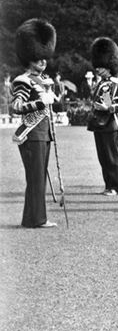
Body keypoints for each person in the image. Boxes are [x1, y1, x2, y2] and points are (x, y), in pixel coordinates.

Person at [10, 18, 57, 228]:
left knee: (39, 179)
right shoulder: (23, 80)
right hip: (31, 133)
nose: (43, 62)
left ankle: (32, 218)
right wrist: (39, 103)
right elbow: (16, 107)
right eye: (39, 58)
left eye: (44, 58)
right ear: (29, 57)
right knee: (36, 179)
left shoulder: (44, 80)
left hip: (43, 133)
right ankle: (37, 219)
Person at [87, 37, 118, 196]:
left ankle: (117, 187)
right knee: (103, 157)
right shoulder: (102, 83)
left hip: (111, 125)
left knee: (112, 158)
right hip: (100, 124)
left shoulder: (117, 83)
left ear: (109, 66)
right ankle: (108, 185)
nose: (98, 69)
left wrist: (107, 107)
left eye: (101, 67)